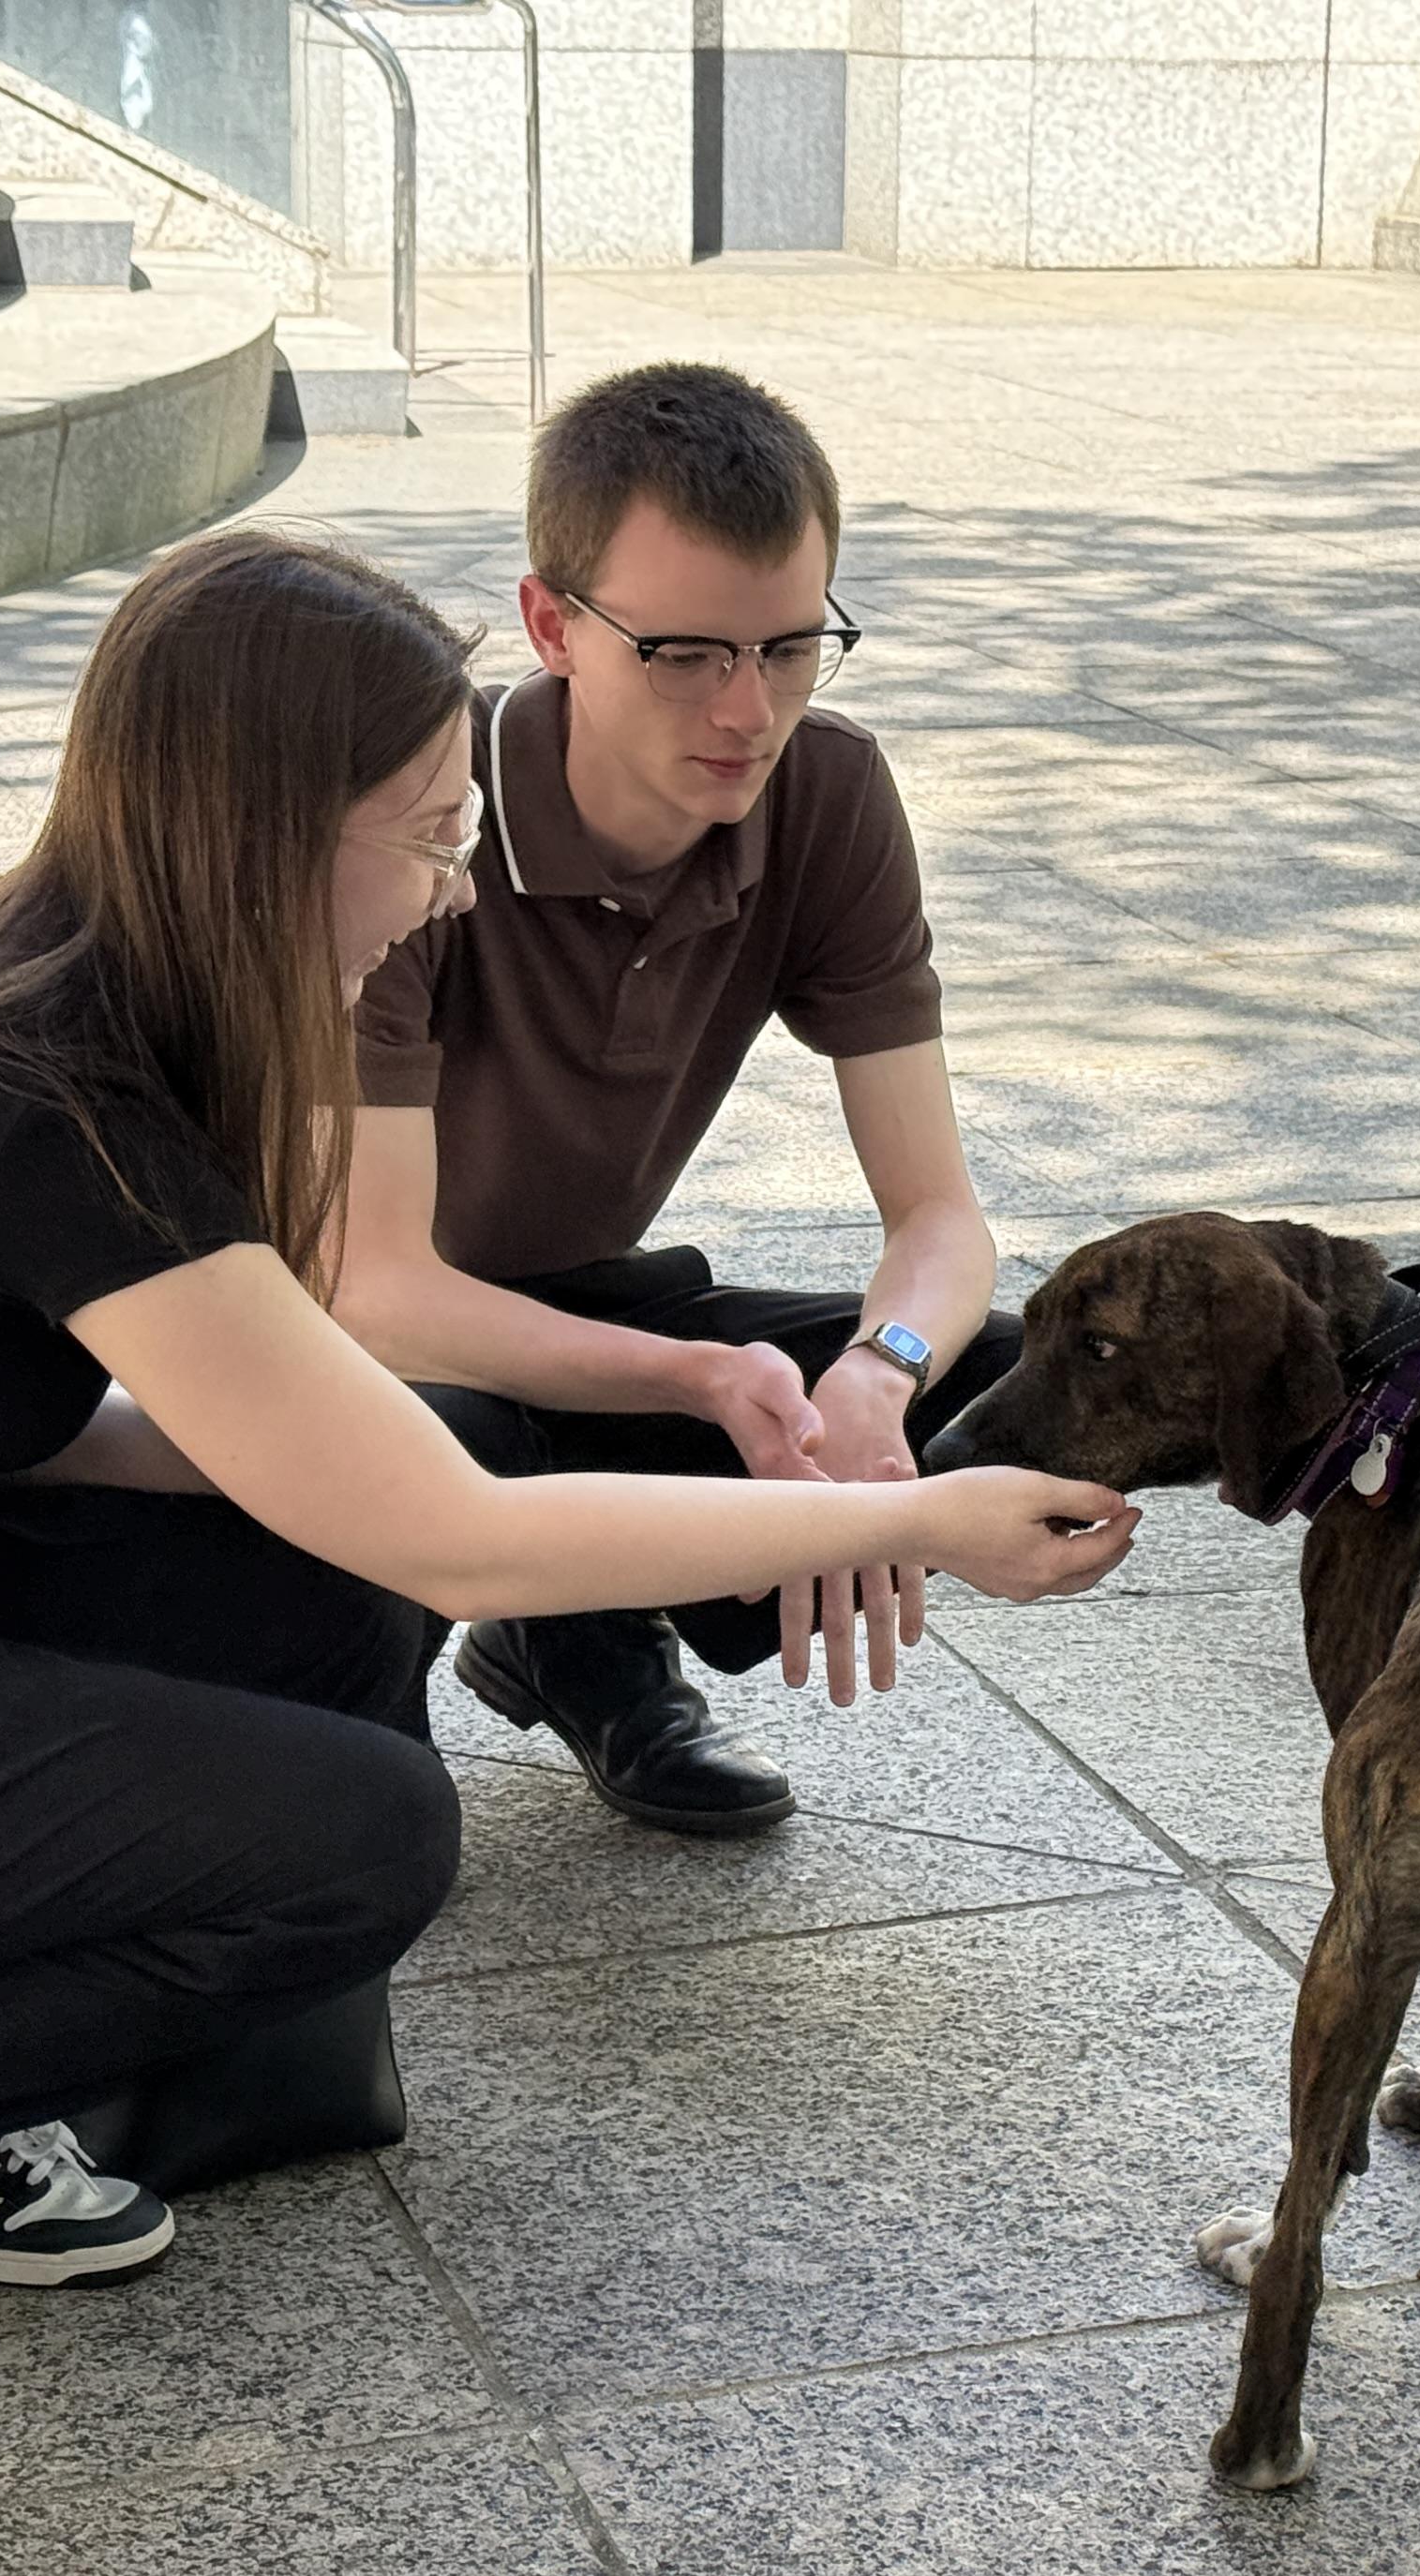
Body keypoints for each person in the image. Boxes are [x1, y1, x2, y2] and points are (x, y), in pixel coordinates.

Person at [0, 529, 1136, 2414]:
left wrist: (302, 1484)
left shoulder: (61, 992)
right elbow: (465, 1540)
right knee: (366, 1839)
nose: (453, 884)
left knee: (345, 1530)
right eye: (419, 830)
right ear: (256, 830)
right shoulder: (27, 1089)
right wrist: (915, 1515)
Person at [334, 363, 1015, 1837]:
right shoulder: (416, 809)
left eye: (789, 648)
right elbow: (374, 1291)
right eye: (688, 653)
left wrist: (880, 1376)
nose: (747, 710)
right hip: (352, 1345)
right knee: (371, 1818)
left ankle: (572, 1631)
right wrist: (704, 1380)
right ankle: (478, 1651)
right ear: (550, 625)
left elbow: (943, 1219)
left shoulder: (825, 794)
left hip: (581, 1303)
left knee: (1021, 1380)